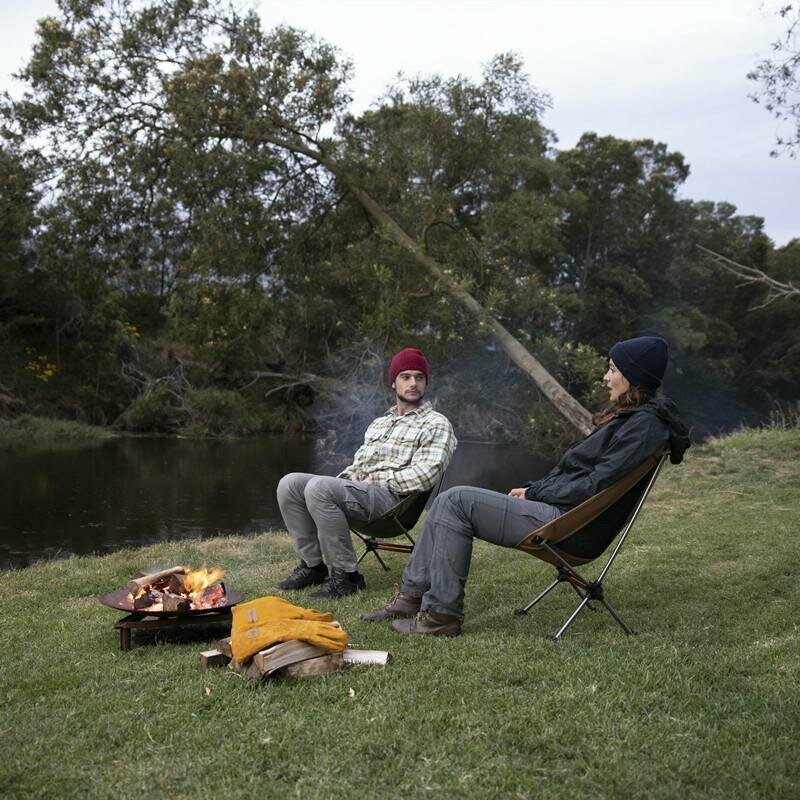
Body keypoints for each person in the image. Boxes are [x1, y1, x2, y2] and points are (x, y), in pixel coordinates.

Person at [361, 335, 690, 636]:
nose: (606, 377)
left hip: (570, 526)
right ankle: (411, 597)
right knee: (450, 500)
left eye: (613, 369)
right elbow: (586, 477)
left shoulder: (643, 426)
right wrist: (533, 489)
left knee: (455, 501)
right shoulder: (637, 420)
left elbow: (594, 485)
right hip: (564, 513)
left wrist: (535, 493)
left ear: (633, 376)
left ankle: (440, 616)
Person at [275, 347, 457, 598]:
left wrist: (371, 481)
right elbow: (358, 467)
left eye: (419, 377)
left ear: (426, 382)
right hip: (364, 495)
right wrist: (337, 485)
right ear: (393, 383)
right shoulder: (379, 423)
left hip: (394, 506)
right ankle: (314, 566)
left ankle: (347, 577)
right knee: (290, 483)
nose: (413, 383)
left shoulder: (436, 423)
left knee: (319, 488)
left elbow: (424, 476)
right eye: (406, 377)